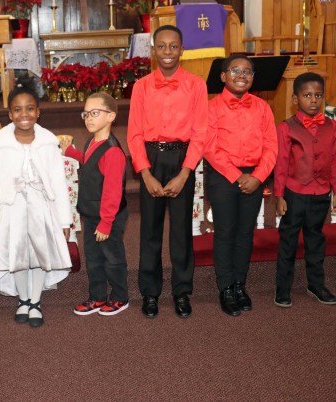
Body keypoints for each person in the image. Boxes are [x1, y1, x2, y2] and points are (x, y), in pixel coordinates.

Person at [127, 25, 208, 319]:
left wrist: (185, 172)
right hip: (150, 158)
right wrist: (145, 173)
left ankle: (182, 291)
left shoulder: (196, 85)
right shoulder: (141, 86)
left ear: (182, 49)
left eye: (173, 46)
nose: (168, 52)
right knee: (149, 230)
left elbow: (201, 132)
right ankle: (150, 292)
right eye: (161, 46)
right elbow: (134, 133)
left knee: (181, 231)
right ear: (153, 50)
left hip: (182, 158)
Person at [0, 87, 72, 328]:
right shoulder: (0, 145)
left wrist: (64, 220)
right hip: (12, 209)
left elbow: (58, 183)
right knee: (18, 253)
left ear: (38, 112)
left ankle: (35, 301)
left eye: (30, 109)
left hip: (43, 206)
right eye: (18, 110)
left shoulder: (48, 143)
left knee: (40, 252)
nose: (24, 114)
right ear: (10, 114)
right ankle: (23, 299)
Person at [203, 54, 277, 317]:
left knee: (246, 233)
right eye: (235, 70)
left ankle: (239, 284)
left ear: (253, 78)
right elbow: (209, 147)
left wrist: (258, 176)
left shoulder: (262, 107)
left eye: (247, 72)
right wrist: (236, 176)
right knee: (225, 232)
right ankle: (225, 287)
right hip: (224, 177)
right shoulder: (211, 108)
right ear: (223, 76)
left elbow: (271, 145)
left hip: (255, 176)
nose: (241, 75)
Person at [274, 72, 336, 308]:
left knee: (316, 241)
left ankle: (316, 284)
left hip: (321, 194)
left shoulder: (331, 127)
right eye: (307, 95)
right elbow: (281, 163)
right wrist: (279, 195)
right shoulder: (286, 128)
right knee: (288, 242)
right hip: (294, 194)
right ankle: (282, 289)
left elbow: (335, 160)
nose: (313, 100)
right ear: (296, 99)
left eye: (318, 95)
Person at [62, 92, 129, 316]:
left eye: (95, 113)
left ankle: (120, 297)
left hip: (107, 216)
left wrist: (106, 222)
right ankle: (98, 297)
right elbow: (90, 161)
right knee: (93, 258)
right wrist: (72, 152)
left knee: (112, 258)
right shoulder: (93, 141)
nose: (88, 118)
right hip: (92, 213)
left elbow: (112, 192)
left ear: (111, 116)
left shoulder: (112, 151)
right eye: (86, 113)